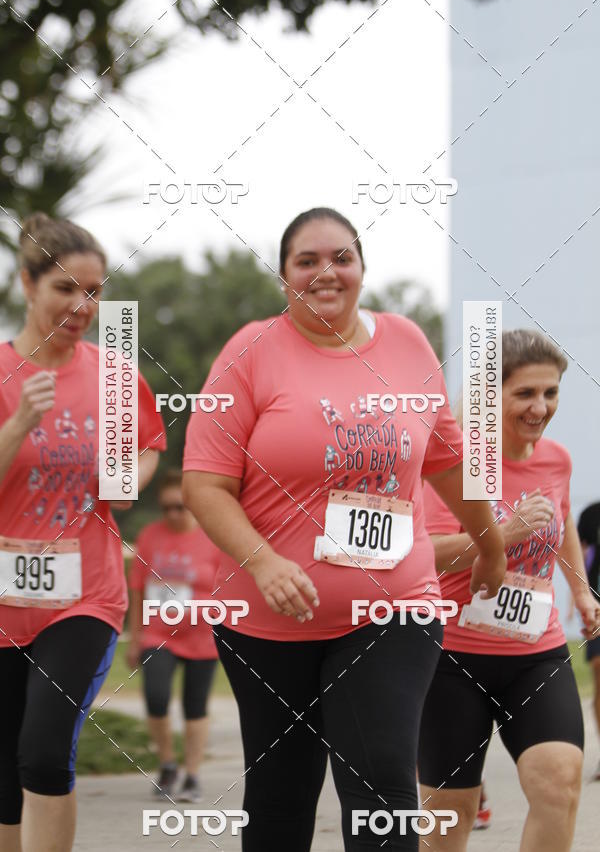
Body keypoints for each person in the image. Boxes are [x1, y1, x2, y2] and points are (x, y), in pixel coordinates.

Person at [181, 207, 506, 851]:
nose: (325, 273)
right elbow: (203, 484)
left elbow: (447, 461)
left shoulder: (407, 343)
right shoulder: (249, 352)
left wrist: (489, 546)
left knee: (383, 780)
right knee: (281, 795)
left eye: (342, 258)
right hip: (266, 621)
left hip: (394, 606)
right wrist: (265, 562)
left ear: (362, 270)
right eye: (307, 261)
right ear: (283, 277)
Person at [0, 213, 166, 852]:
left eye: (95, 291)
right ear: (27, 283)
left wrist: (134, 478)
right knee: (6, 766)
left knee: (43, 751)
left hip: (84, 594)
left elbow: (149, 445)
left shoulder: (115, 374)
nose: (83, 305)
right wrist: (18, 424)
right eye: (66, 288)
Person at [418, 328, 600, 851]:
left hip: (535, 653)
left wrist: (581, 591)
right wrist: (504, 534)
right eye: (525, 393)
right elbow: (424, 553)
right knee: (452, 815)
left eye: (551, 393)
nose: (540, 407)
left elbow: (561, 521)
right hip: (452, 656)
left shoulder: (556, 460)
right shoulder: (455, 466)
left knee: (560, 781)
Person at [127, 468, 220, 802]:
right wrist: (136, 637)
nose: (173, 514)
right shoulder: (150, 536)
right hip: (158, 634)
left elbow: (229, 587)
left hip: (202, 637)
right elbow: (137, 588)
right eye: (166, 508)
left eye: (180, 506)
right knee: (156, 696)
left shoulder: (214, 536)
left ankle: (192, 775)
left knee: (195, 707)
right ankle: (167, 765)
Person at [575, 500, 600, 779]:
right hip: (598, 607)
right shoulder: (591, 514)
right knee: (598, 671)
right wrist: (578, 595)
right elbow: (577, 555)